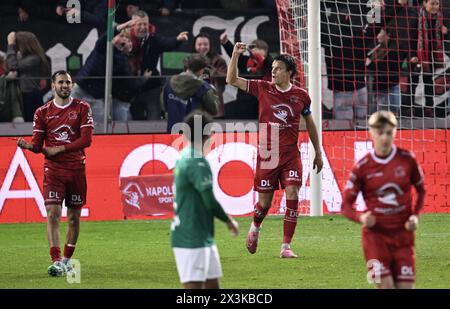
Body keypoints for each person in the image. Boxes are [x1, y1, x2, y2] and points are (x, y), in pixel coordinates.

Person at [226, 42, 323, 258]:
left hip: (290, 154)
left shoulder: (301, 96)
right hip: (268, 154)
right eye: (273, 69)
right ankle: (255, 227)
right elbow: (231, 80)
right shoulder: (263, 88)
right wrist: (234, 54)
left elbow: (311, 123)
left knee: (293, 193)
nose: (274, 72)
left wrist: (318, 151)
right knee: (264, 203)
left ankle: (286, 246)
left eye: (278, 69)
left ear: (289, 72)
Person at [17, 70, 94, 277]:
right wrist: (28, 146)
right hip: (54, 170)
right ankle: (56, 260)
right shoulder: (42, 112)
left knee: (73, 218)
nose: (64, 86)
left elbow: (86, 140)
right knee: (52, 213)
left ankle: (68, 259)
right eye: (60, 82)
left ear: (72, 85)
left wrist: (59, 149)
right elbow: (38, 145)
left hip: (76, 168)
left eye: (68, 82)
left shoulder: (82, 108)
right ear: (53, 86)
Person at [342, 111, 426, 289]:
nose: (385, 138)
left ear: (395, 131)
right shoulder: (363, 167)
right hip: (375, 239)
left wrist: (415, 216)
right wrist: (361, 218)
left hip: (403, 237)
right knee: (386, 287)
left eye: (389, 132)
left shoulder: (407, 160)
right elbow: (345, 206)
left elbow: (421, 189)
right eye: (380, 133)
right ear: (371, 133)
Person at [171, 111, 239, 289]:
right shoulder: (197, 161)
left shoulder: (185, 156)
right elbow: (209, 200)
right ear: (209, 133)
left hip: (201, 234)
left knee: (212, 285)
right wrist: (228, 220)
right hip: (191, 236)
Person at [161, 53, 218, 133]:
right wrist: (213, 92)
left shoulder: (169, 82)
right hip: (196, 133)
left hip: (173, 131)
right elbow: (214, 110)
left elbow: (164, 106)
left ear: (187, 66)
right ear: (201, 70)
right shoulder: (203, 87)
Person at [6, 31, 50, 122]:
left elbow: (12, 66)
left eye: (17, 44)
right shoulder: (25, 57)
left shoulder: (34, 58)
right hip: (24, 94)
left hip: (30, 96)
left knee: (32, 124)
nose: (16, 47)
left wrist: (11, 45)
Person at [193, 33, 227, 117]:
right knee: (197, 128)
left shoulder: (218, 60)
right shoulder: (190, 60)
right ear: (194, 46)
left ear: (210, 45)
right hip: (195, 102)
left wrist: (213, 71)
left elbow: (227, 79)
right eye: (199, 44)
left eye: (205, 44)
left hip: (213, 101)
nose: (202, 47)